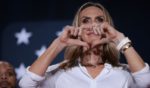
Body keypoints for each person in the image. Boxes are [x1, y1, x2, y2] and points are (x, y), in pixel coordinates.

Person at [19, 2, 150, 88]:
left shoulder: (124, 73)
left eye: (99, 20)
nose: (93, 25)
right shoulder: (60, 73)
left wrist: (119, 38)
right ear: (78, 29)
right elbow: (26, 84)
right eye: (85, 21)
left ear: (107, 27)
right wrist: (59, 43)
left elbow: (146, 81)